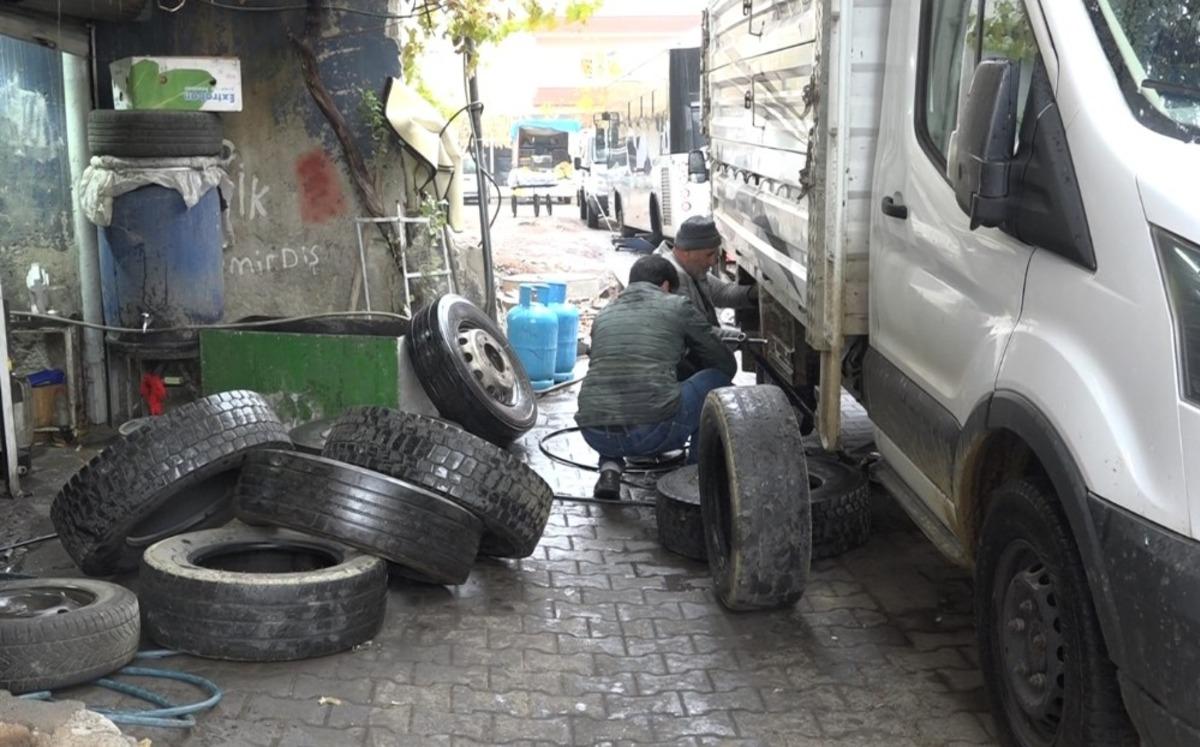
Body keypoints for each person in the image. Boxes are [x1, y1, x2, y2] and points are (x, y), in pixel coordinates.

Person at [576, 255, 737, 500]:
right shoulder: (677, 306)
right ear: (664, 286)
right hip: (652, 431)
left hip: (594, 433)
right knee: (716, 381)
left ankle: (610, 468)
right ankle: (695, 478)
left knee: (614, 387)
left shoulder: (604, 314)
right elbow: (723, 362)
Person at [654, 215, 757, 328]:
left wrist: (753, 293)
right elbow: (697, 331)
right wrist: (738, 340)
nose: (713, 262)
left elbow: (722, 293)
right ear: (685, 252)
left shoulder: (690, 268)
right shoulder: (673, 277)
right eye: (709, 255)